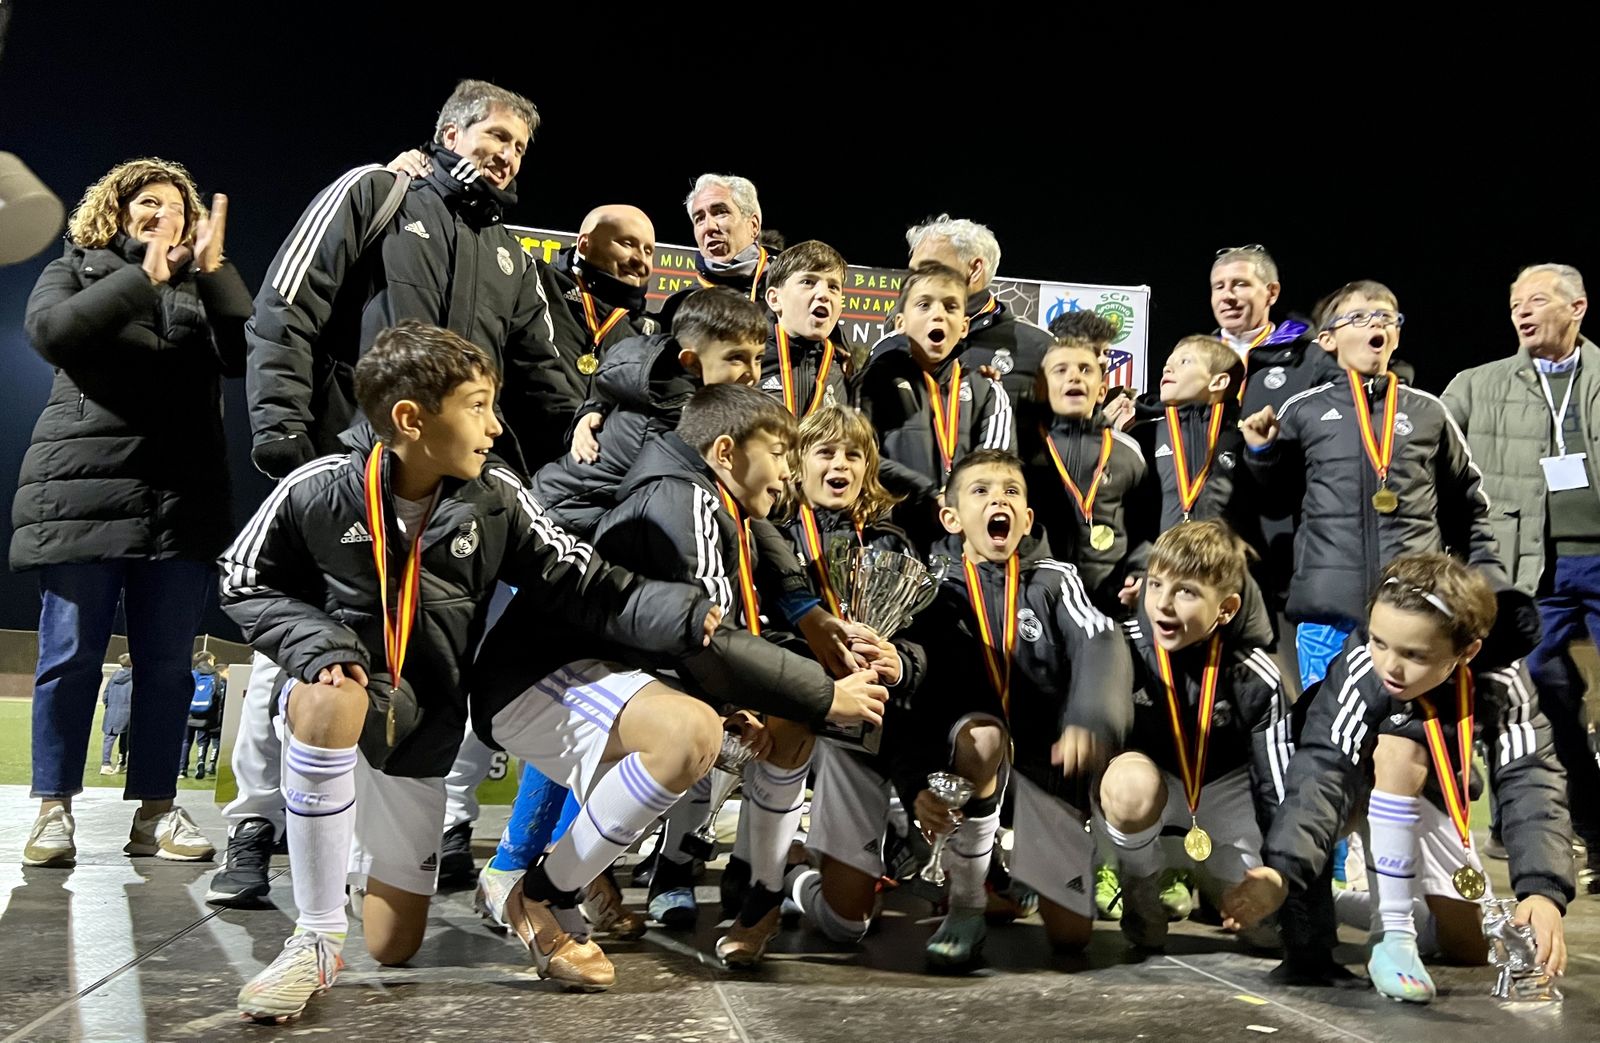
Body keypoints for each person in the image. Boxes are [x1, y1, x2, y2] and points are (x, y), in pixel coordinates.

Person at [223, 321, 723, 1018]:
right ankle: (313, 936)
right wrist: (317, 643)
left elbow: (583, 579)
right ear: (410, 418)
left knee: (395, 944)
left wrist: (686, 612)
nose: (494, 426)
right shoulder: (320, 485)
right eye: (478, 405)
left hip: (423, 731)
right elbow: (243, 577)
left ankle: (360, 860)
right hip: (348, 703)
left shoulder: (495, 495)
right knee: (326, 697)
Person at [214, 78, 553, 907]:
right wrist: (284, 434)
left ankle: (399, 837)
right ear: (449, 131)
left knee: (433, 647)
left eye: (518, 148)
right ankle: (257, 826)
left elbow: (544, 374)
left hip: (451, 486)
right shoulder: (376, 192)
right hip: (349, 457)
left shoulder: (512, 255)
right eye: (495, 137)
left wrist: (583, 451)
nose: (506, 157)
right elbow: (286, 308)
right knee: (292, 652)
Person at [16, 156, 245, 868]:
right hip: (81, 496)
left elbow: (245, 350)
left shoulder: (201, 290)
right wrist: (138, 277)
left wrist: (216, 271)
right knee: (71, 657)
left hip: (179, 501)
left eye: (177, 206)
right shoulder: (76, 268)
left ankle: (155, 809)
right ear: (116, 211)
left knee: (169, 666)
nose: (163, 214)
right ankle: (54, 810)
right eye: (148, 201)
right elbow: (53, 333)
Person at [1224, 553, 1573, 1002]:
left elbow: (1531, 778)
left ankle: (1351, 904)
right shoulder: (1363, 668)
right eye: (1378, 641)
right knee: (1399, 744)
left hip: (1427, 788)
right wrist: (1283, 869)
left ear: (1467, 652)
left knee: (1468, 947)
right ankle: (1392, 935)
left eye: (1414, 654)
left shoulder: (1505, 679)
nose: (1389, 665)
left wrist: (1542, 890)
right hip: (1338, 789)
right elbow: (1323, 770)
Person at [894, 449, 1132, 967]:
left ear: (1025, 519)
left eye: (1011, 492)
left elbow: (1100, 639)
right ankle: (967, 903)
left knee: (1072, 939)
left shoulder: (1054, 579)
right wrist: (913, 783)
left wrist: (1091, 717)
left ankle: (1023, 868)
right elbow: (908, 697)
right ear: (950, 517)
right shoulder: (928, 591)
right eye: (980, 490)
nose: (997, 498)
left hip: (1046, 769)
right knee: (983, 736)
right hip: (968, 762)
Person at [1239, 281, 1507, 689]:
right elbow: (1276, 504)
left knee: (1411, 735)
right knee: (1328, 733)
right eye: (1359, 316)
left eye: (1386, 317)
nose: (1375, 323)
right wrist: (1262, 453)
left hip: (1415, 612)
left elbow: (1468, 503)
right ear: (1328, 339)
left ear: (1396, 334)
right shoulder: (1303, 410)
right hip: (1328, 614)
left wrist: (1487, 572)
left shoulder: (1428, 411)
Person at [1443, 263, 1600, 891]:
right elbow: (1421, 436)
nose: (1523, 313)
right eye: (1515, 305)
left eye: (1537, 301)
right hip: (1530, 566)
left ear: (1577, 307)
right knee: (1542, 697)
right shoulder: (1477, 386)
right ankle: (1577, 823)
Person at [1096, 521, 1293, 952]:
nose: (1163, 604)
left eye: (1186, 592)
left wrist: (1277, 876)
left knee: (1267, 933)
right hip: (1152, 794)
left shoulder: (1256, 676)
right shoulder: (1119, 647)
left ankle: (1216, 882)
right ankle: (1139, 885)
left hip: (1224, 795)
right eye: (1156, 584)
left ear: (1226, 608)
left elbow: (1278, 787)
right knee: (1129, 782)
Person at [856, 262, 1015, 550]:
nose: (938, 314)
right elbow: (860, 455)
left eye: (951, 307)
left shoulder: (987, 390)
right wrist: (927, 491)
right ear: (901, 322)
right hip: (890, 535)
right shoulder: (874, 382)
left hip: (962, 539)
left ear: (964, 326)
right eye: (924, 305)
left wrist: (957, 498)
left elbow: (996, 466)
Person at [1021, 313, 1146, 613]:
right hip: (1038, 600)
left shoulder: (1128, 451)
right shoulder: (1022, 447)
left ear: (1102, 389)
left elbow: (1146, 528)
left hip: (1109, 602)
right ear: (1042, 385)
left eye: (1087, 368)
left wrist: (1139, 572)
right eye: (1061, 370)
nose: (1074, 377)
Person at [872, 215, 1054, 409]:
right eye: (913, 272)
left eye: (929, 268)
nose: (916, 281)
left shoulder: (1040, 348)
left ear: (975, 270)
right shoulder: (896, 337)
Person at [655, 173, 767, 331]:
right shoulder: (679, 306)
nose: (708, 227)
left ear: (753, 225)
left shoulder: (788, 285)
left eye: (720, 212)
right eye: (699, 219)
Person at [759, 240, 850, 416]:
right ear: (775, 299)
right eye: (808, 281)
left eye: (833, 287)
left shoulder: (843, 370)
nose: (824, 294)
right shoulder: (744, 361)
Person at [179, 651, 227, 780]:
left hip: (189, 713)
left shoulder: (192, 674)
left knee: (186, 742)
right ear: (209, 661)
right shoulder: (215, 676)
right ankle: (201, 762)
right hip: (206, 713)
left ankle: (182, 769)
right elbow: (218, 695)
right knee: (202, 741)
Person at [100, 654, 133, 776]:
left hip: (112, 711)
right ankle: (121, 763)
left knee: (109, 738)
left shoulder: (114, 676)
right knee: (125, 739)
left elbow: (105, 696)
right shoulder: (134, 677)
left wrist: (111, 706)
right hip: (127, 712)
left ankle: (105, 764)